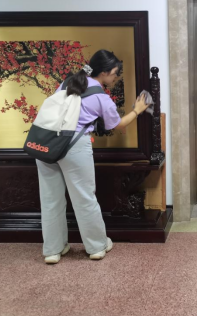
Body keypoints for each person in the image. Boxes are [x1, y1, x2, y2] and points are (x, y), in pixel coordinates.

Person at [36, 49, 150, 264]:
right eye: (115, 73)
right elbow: (117, 125)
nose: (115, 77)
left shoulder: (67, 83)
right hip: (74, 146)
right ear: (105, 72)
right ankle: (97, 246)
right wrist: (137, 110)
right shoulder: (101, 97)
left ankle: (52, 250)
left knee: (50, 199)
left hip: (47, 143)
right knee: (84, 198)